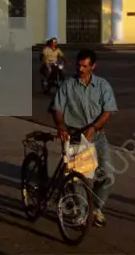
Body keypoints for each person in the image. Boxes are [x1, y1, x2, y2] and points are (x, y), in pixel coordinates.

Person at [51, 48, 118, 227]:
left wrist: (94, 127)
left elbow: (108, 111)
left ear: (93, 66)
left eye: (85, 66)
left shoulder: (103, 85)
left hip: (97, 136)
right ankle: (81, 213)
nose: (81, 69)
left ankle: (95, 208)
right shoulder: (67, 85)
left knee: (108, 176)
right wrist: (61, 126)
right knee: (80, 178)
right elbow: (57, 108)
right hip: (76, 136)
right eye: (79, 65)